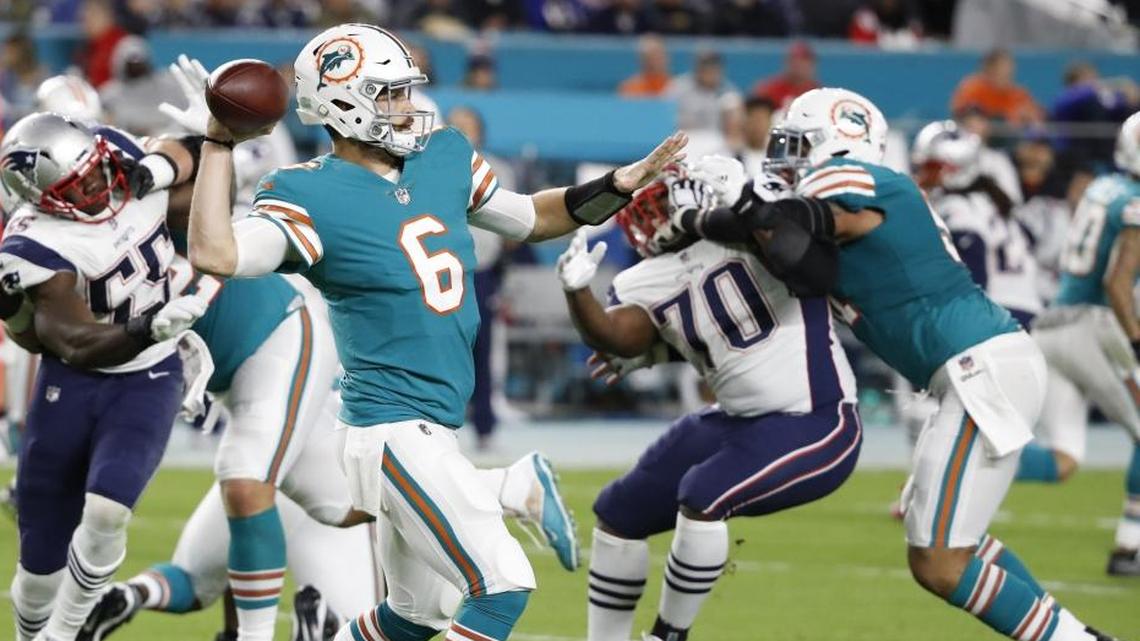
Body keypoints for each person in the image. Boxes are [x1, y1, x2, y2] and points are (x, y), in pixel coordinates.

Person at [185, 24, 684, 641]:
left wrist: (613, 188)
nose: (407, 106)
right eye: (389, 94)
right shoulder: (306, 193)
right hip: (390, 428)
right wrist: (216, 143)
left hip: (433, 424)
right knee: (501, 587)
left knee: (412, 617)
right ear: (344, 103)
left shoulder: (442, 155)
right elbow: (218, 253)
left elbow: (530, 217)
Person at [683, 87, 1120, 641]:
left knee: (937, 562)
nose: (787, 157)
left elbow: (804, 220)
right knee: (960, 544)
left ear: (837, 142)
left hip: (979, 366)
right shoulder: (825, 208)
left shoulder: (854, 178)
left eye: (799, 143)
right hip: (971, 370)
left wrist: (744, 205)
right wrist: (699, 221)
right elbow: (806, 269)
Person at [565, 169, 860, 641]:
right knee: (620, 511)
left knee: (704, 494)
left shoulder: (753, 236)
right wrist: (578, 294)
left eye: (659, 203)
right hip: (738, 420)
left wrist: (736, 210)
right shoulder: (645, 277)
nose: (647, 216)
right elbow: (622, 336)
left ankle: (668, 636)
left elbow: (800, 262)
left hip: (816, 416)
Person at [0, 112, 207, 641]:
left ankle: (64, 634)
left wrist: (174, 157)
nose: (98, 185)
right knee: (39, 564)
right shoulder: (34, 244)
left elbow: (192, 155)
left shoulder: (116, 154)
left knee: (109, 507)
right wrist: (147, 327)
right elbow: (75, 342)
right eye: (80, 183)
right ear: (41, 197)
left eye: (95, 170)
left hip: (151, 375)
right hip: (73, 380)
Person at [1020, 111, 1140, 578]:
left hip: (1052, 324)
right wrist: (1135, 338)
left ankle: (952, 464)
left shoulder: (1103, 187)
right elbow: (1116, 281)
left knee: (1063, 460)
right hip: (1091, 325)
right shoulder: (1133, 201)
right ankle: (1130, 548)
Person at [911, 120, 1042, 327]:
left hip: (996, 312)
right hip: (1031, 311)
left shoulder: (957, 207)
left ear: (954, 169)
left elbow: (973, 268)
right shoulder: (995, 203)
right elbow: (1030, 240)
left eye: (931, 167)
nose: (922, 176)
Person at [950, 49, 1044, 128]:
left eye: (1009, 72)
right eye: (1002, 70)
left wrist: (1030, 119)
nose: (1007, 74)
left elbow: (1036, 119)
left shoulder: (1019, 94)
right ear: (988, 70)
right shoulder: (971, 89)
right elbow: (960, 116)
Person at [750, 40, 819, 110]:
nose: (799, 66)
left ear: (813, 65)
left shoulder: (817, 93)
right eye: (794, 61)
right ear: (787, 63)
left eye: (804, 62)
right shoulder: (768, 90)